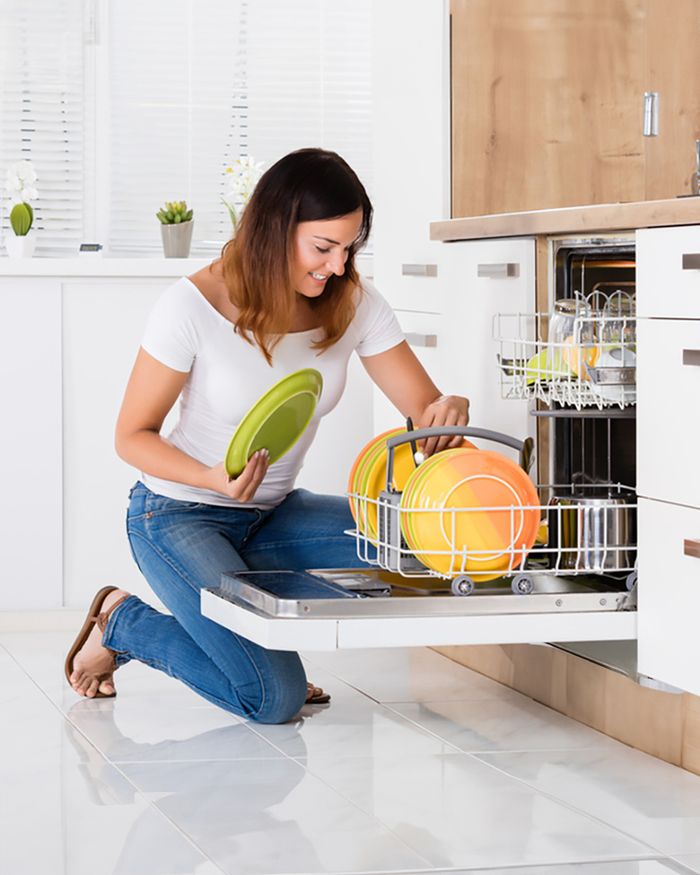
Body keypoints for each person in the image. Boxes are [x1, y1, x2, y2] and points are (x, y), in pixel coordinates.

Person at [64, 148, 469, 724]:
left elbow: (424, 410)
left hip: (274, 516)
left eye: (349, 248)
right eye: (323, 247)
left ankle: (243, 639)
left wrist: (446, 409)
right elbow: (131, 436)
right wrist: (210, 478)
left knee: (421, 539)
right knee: (272, 699)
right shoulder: (191, 306)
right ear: (275, 229)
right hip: (179, 515)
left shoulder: (354, 303)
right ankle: (124, 623)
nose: (336, 266)